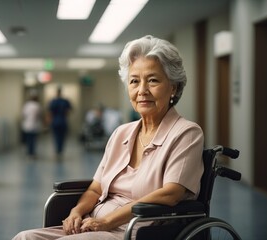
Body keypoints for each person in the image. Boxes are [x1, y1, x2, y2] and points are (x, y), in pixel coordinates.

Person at [12, 35, 204, 239]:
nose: (142, 90)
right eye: (134, 81)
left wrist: (107, 221)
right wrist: (76, 212)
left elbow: (171, 193)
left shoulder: (186, 133)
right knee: (25, 237)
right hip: (94, 224)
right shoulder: (122, 133)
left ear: (173, 87)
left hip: (136, 230)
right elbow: (96, 189)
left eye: (153, 80)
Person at [47, 86, 72, 157]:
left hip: (55, 121)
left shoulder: (53, 101)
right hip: (63, 121)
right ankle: (60, 150)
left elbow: (50, 112)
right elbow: (69, 111)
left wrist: (49, 121)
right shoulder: (65, 101)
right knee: (62, 137)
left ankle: (58, 150)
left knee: (56, 136)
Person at [22, 94, 42, 159]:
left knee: (28, 140)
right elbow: (38, 116)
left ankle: (29, 152)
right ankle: (32, 153)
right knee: (33, 140)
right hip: (34, 125)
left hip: (27, 125)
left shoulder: (27, 105)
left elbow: (24, 115)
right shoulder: (37, 106)